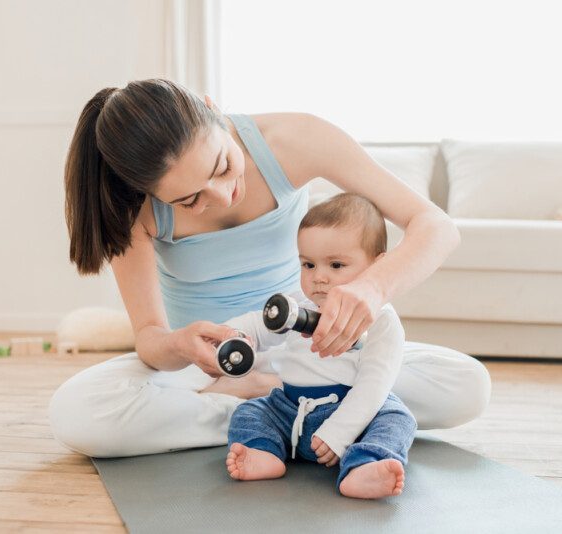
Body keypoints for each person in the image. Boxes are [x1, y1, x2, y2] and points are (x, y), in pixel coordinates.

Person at [49, 78, 490, 458]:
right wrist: (180, 345)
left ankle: (278, 414)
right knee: (76, 412)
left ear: (212, 109)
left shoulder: (295, 139)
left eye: (221, 166)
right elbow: (150, 339)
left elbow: (435, 226)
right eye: (189, 200)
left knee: (467, 384)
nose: (222, 196)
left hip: (310, 355)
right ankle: (290, 412)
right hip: (213, 376)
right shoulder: (131, 205)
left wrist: (372, 288)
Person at [224, 193, 415, 499]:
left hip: (350, 414)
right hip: (288, 410)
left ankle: (364, 464)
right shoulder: (297, 304)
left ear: (377, 265)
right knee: (248, 412)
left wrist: (341, 432)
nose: (319, 278)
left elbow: (374, 385)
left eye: (336, 265)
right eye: (308, 264)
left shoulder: (381, 320)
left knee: (397, 418)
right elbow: (257, 325)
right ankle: (264, 452)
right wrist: (231, 335)